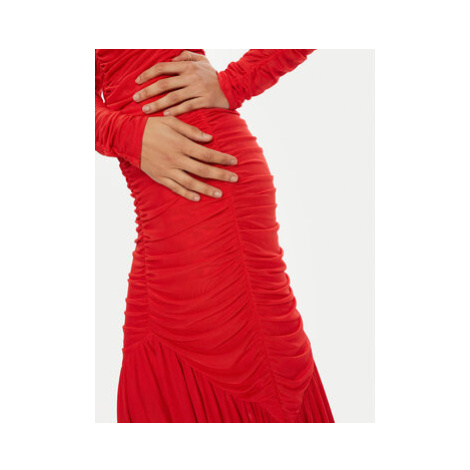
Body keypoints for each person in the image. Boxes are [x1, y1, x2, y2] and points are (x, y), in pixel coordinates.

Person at [95, 49, 335, 423]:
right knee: (158, 374)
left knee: (240, 368)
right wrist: (126, 134)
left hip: (206, 179)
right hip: (174, 186)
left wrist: (235, 82)